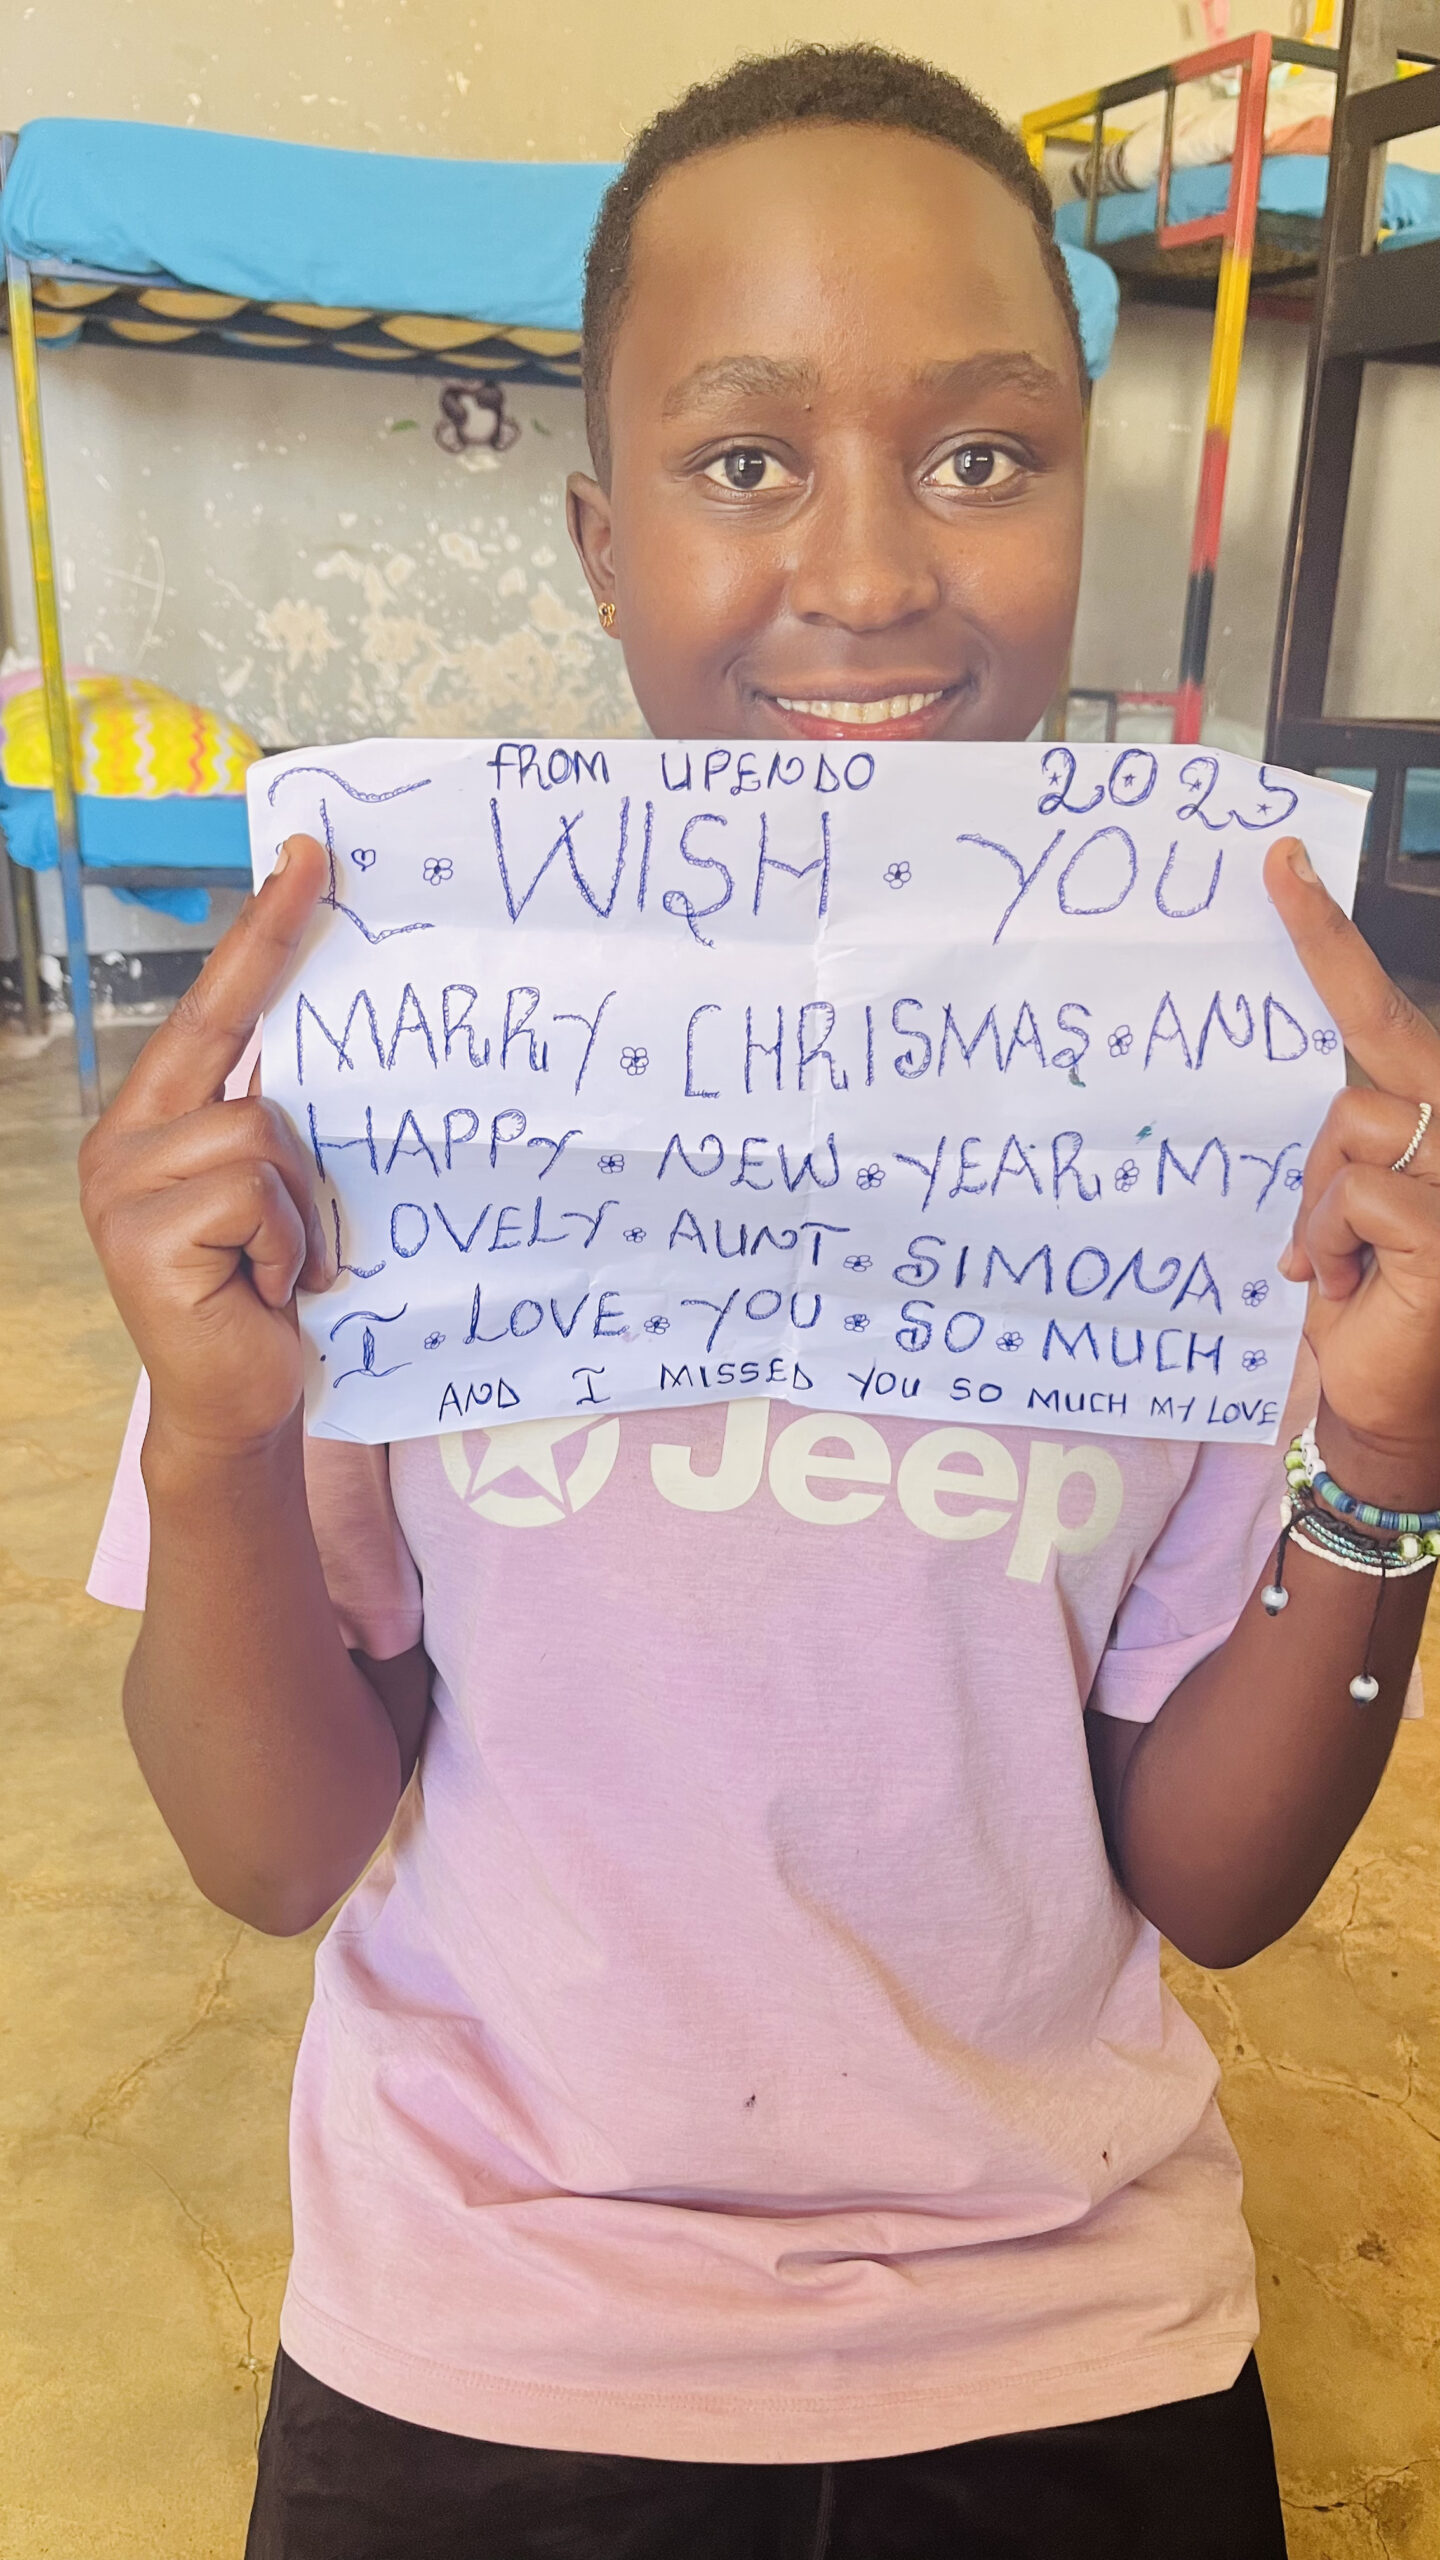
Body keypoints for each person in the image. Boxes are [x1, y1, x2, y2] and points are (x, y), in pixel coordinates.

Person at [80, 45, 1440, 2560]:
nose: (871, 570)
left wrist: (1384, 1452)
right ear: (603, 546)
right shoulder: (390, 1072)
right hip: (485, 2337)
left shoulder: (1217, 1094)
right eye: (743, 461)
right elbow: (269, 1849)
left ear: (1084, 495)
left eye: (981, 453)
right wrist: (219, 1433)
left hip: (1071, 2335)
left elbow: (1218, 1883)